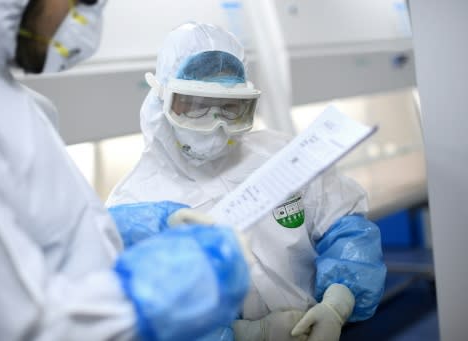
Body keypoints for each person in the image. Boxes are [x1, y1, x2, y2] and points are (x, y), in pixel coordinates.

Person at [0, 2, 250, 341]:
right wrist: (156, 294)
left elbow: (27, 234)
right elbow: (16, 327)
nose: (89, 19)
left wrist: (115, 229)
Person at [107, 22, 387, 341]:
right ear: (162, 98)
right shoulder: (136, 205)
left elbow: (346, 228)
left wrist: (338, 304)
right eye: (196, 106)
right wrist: (247, 333)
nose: (217, 125)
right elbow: (153, 314)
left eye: (231, 108)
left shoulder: (284, 155)